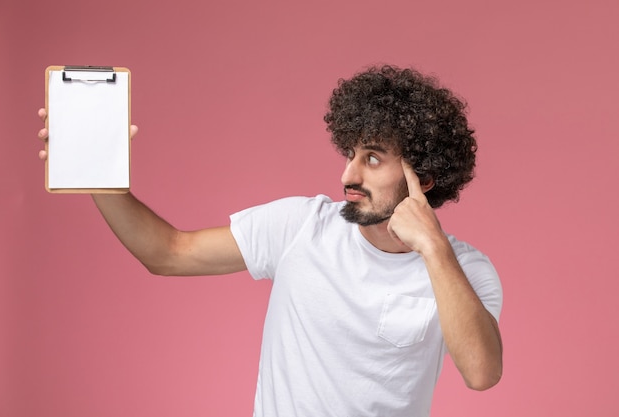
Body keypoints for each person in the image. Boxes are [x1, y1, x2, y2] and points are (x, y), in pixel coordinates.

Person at [37, 65, 503, 417]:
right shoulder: (299, 226)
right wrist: (99, 176)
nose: (348, 174)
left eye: (373, 159)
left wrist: (434, 247)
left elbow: (482, 373)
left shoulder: (466, 271)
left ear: (424, 175)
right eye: (351, 154)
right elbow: (167, 253)